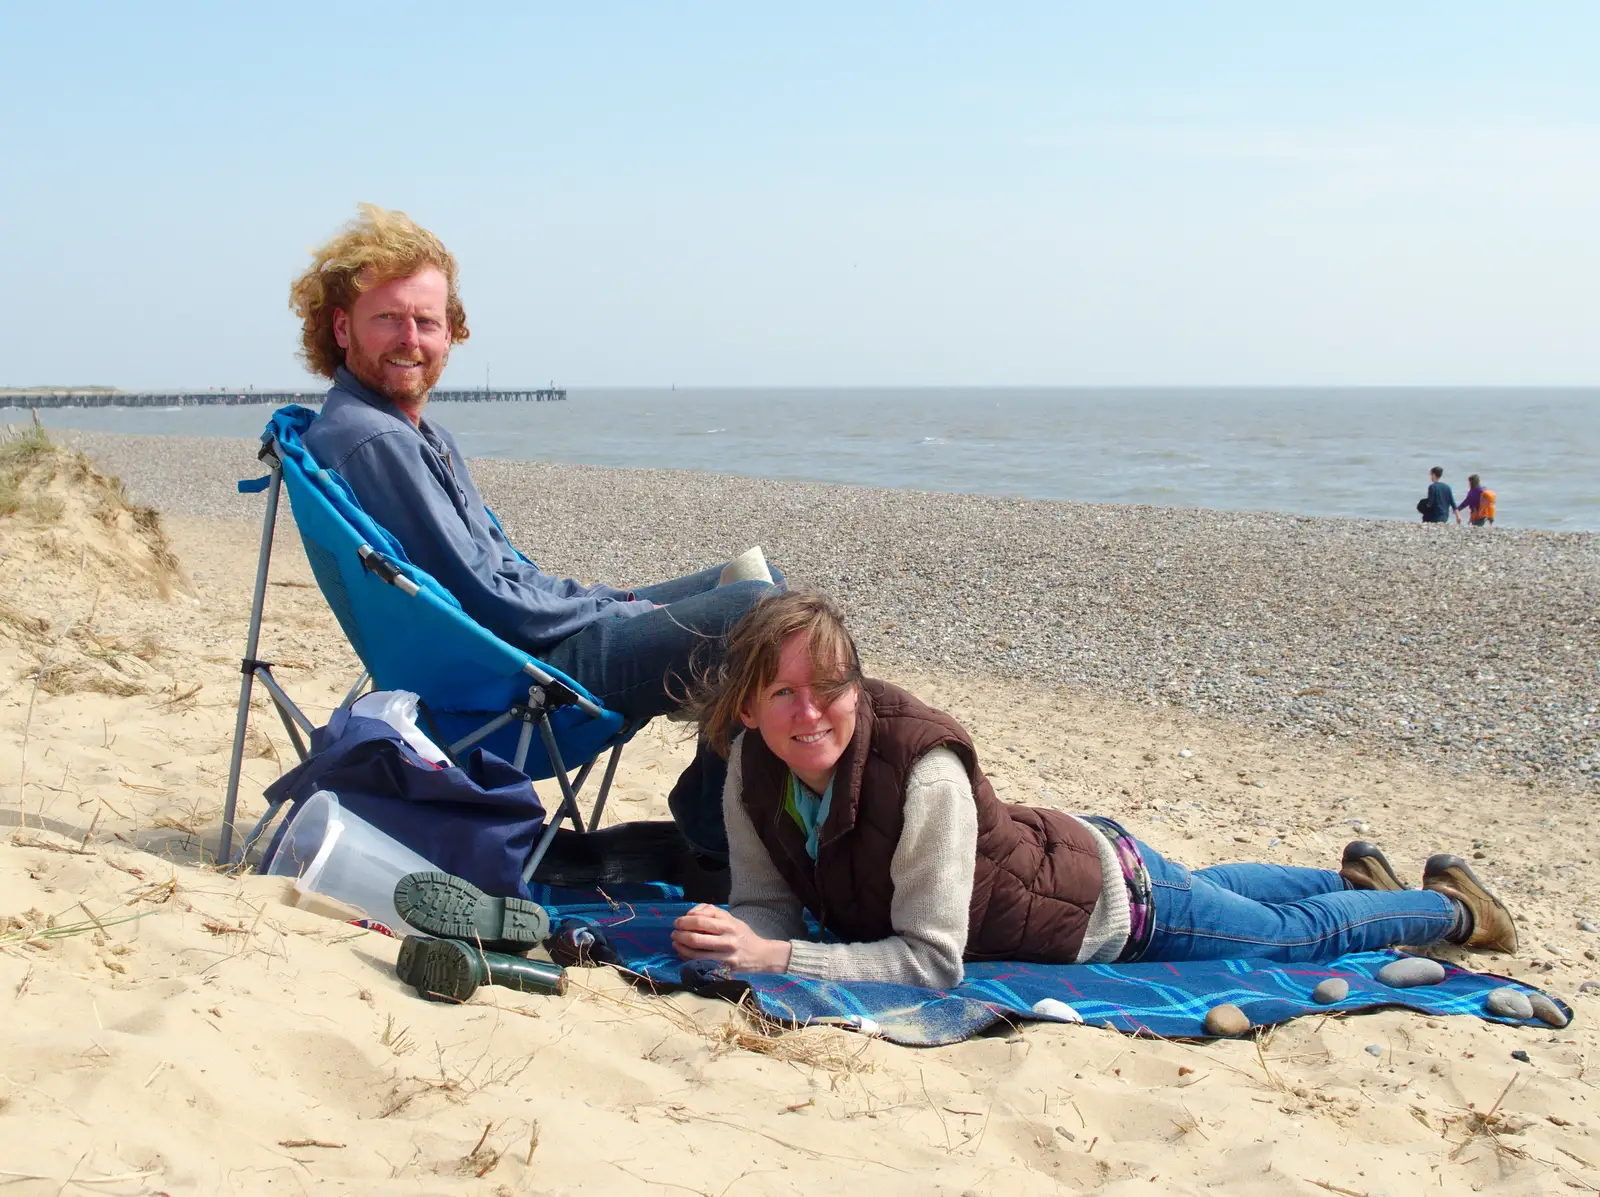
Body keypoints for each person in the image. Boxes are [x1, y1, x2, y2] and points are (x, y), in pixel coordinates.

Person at [669, 590, 1517, 987]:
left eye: (828, 686)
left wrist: (774, 957)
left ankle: (1452, 909)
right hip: (1076, 849)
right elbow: (769, 901)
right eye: (783, 693)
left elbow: (931, 961)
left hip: (1111, 911)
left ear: (857, 683)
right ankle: (1353, 877)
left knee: (1290, 940)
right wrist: (732, 933)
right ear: (748, 705)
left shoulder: (923, 773)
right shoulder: (755, 765)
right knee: (1213, 888)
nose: (810, 712)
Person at [289, 204, 781, 860]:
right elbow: (489, 599)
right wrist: (617, 606)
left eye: (426, 320)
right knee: (758, 613)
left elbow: (498, 576)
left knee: (749, 582)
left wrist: (613, 603)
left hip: (516, 650)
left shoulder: (409, 430)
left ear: (449, 333)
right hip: (518, 682)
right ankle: (718, 836)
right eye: (389, 318)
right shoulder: (375, 438)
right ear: (343, 328)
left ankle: (713, 814)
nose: (410, 337)